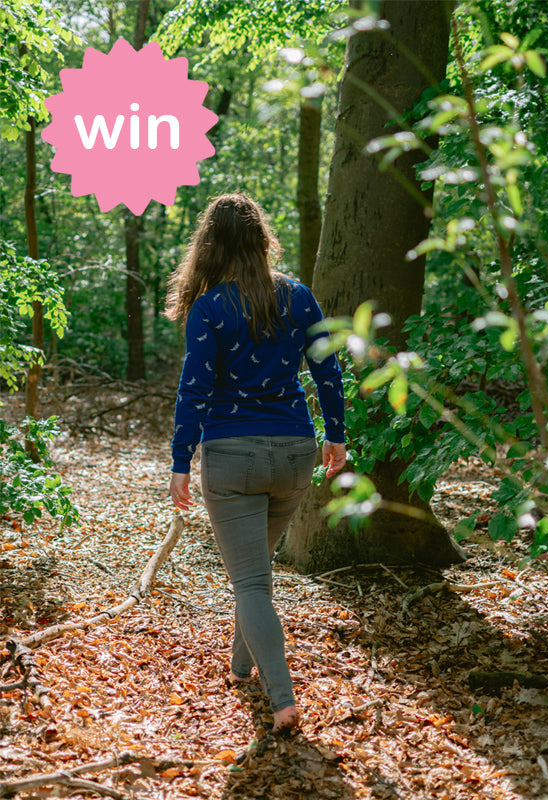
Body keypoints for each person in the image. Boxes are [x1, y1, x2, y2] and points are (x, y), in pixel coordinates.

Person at [164, 193, 347, 735]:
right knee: (256, 573)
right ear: (262, 240)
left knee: (250, 583)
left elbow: (193, 389)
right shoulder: (298, 295)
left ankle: (282, 699)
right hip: (294, 452)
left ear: (211, 246)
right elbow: (328, 368)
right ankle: (242, 666)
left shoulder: (212, 307)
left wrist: (180, 460)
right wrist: (335, 434)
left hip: (232, 456)